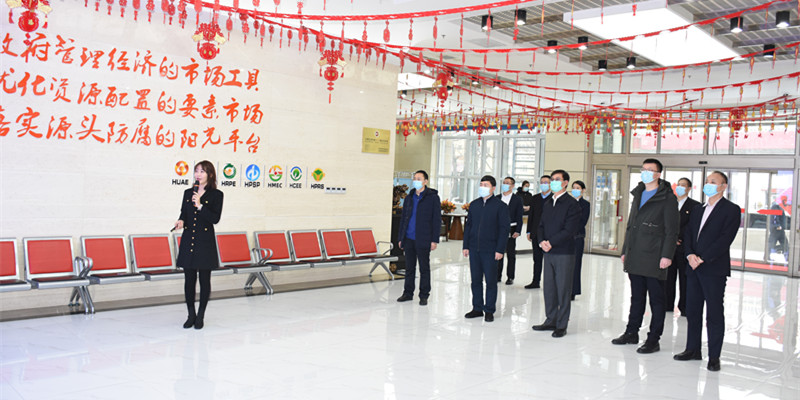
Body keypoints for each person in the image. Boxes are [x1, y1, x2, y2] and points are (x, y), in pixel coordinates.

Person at [674, 171, 741, 372]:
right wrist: (689, 255)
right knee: (693, 311)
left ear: (723, 186)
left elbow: (725, 239)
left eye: (713, 182)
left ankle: (714, 356)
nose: (708, 184)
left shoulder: (731, 210)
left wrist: (702, 258)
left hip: (713, 269)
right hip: (692, 267)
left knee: (714, 313)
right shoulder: (697, 209)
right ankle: (692, 349)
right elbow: (688, 234)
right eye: (707, 181)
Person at [612, 159, 678, 354]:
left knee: (656, 300)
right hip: (636, 254)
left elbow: (671, 230)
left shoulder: (667, 198)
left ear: (658, 174)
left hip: (655, 256)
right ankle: (631, 332)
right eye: (644, 169)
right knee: (636, 297)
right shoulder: (638, 193)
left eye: (650, 170)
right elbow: (631, 225)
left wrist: (667, 255)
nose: (646, 172)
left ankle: (653, 339)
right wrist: (625, 250)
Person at [174, 160, 224, 330]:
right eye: (196, 171)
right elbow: (184, 213)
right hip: (189, 240)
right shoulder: (188, 192)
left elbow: (215, 219)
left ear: (210, 174)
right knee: (189, 280)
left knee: (204, 280)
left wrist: (201, 205)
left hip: (205, 242)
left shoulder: (217, 195)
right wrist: (181, 221)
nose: (198, 174)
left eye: (202, 171)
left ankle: (201, 315)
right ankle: (191, 315)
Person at [531, 170, 581, 338]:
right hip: (548, 252)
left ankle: (561, 324)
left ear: (565, 183)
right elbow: (541, 225)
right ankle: (550, 320)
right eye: (552, 179)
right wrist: (541, 241)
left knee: (563, 289)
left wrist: (550, 242)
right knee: (549, 289)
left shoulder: (572, 204)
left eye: (557, 180)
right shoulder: (548, 203)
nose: (553, 182)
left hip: (564, 252)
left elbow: (569, 230)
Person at [463, 176, 510, 322]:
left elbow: (504, 229)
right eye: (481, 184)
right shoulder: (474, 204)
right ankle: (477, 308)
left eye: (486, 185)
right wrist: (466, 246)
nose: (482, 187)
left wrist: (500, 249)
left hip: (491, 250)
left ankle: (489, 310)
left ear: (493, 188)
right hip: (474, 249)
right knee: (475, 280)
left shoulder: (500, 206)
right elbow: (469, 226)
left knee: (490, 281)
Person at [396, 170, 442, 306]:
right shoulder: (409, 197)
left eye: (419, 178)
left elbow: (436, 220)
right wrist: (401, 237)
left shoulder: (432, 198)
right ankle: (408, 293)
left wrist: (434, 240)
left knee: (424, 268)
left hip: (424, 238)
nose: (416, 181)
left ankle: (424, 295)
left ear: (425, 181)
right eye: (414, 178)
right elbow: (404, 219)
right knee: (409, 268)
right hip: (409, 238)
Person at [666, 178, 700, 315]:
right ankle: (667, 304)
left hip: (684, 247)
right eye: (678, 185)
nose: (680, 187)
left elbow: (692, 227)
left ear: (689, 188)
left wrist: (679, 238)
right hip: (669, 247)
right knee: (668, 277)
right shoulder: (669, 203)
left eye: (683, 185)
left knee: (684, 279)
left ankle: (684, 307)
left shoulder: (695, 206)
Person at [525, 175, 552, 289]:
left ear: (550, 184)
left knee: (550, 260)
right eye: (542, 182)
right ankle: (535, 281)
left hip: (550, 234)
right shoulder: (535, 198)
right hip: (536, 233)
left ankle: (550, 283)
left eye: (546, 182)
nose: (543, 184)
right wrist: (528, 231)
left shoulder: (554, 198)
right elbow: (531, 216)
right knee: (537, 259)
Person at [497, 177, 524, 285]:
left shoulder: (517, 199)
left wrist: (518, 230)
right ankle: (497, 275)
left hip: (511, 228)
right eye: (504, 182)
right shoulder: (497, 198)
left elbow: (519, 216)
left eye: (507, 183)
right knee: (498, 252)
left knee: (510, 253)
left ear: (512, 186)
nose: (505, 184)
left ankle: (510, 276)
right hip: (498, 228)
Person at [570, 180, 591, 300]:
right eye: (573, 188)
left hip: (577, 237)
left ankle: (573, 290)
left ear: (583, 190)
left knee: (576, 264)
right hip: (566, 238)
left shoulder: (585, 204)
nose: (575, 190)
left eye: (578, 188)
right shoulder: (568, 202)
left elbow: (583, 221)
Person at [768, 195, 789, 260]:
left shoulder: (778, 207)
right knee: (773, 243)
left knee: (783, 243)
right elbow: (775, 216)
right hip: (777, 229)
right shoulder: (776, 206)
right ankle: (786, 256)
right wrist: (777, 226)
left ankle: (787, 256)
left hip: (779, 229)